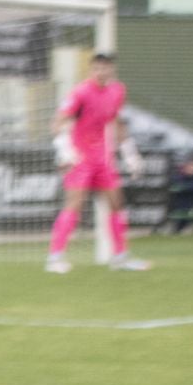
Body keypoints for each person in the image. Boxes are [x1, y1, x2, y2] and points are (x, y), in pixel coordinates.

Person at [45, 52, 148, 274]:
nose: (102, 72)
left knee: (117, 203)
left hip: (103, 158)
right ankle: (55, 258)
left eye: (106, 67)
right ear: (91, 70)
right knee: (74, 204)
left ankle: (120, 257)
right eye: (97, 68)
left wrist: (130, 154)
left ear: (112, 70)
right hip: (80, 158)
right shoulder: (80, 92)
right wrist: (65, 150)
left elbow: (118, 122)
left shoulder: (117, 90)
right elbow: (56, 123)